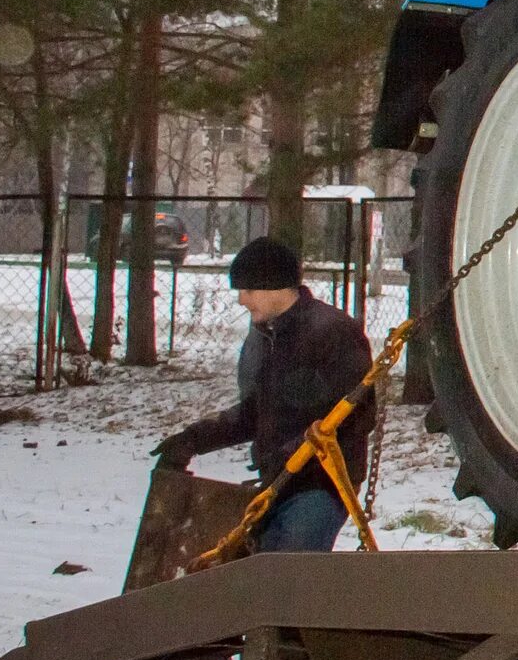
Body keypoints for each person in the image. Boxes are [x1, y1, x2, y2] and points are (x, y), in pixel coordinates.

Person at [154, 236, 375, 552]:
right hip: (277, 483)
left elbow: (356, 413)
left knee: (286, 579)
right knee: (261, 577)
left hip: (320, 486)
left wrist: (296, 450)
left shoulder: (333, 332)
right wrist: (193, 439)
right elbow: (257, 412)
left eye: (248, 290)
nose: (242, 300)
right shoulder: (269, 337)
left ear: (276, 286)